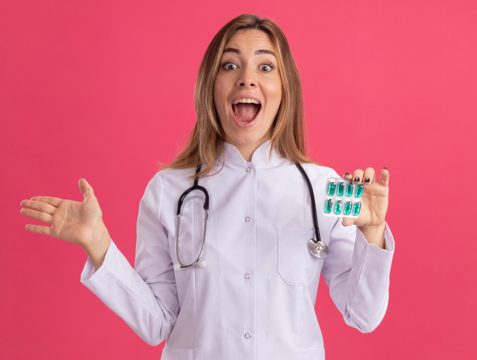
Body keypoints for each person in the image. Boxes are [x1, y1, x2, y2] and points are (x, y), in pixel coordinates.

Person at [20, 13, 395, 360]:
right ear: (210, 87)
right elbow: (157, 324)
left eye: (265, 66)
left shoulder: (325, 188)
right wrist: (98, 244)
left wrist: (372, 232)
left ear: (285, 89)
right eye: (230, 65)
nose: (247, 78)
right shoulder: (168, 191)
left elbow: (363, 315)